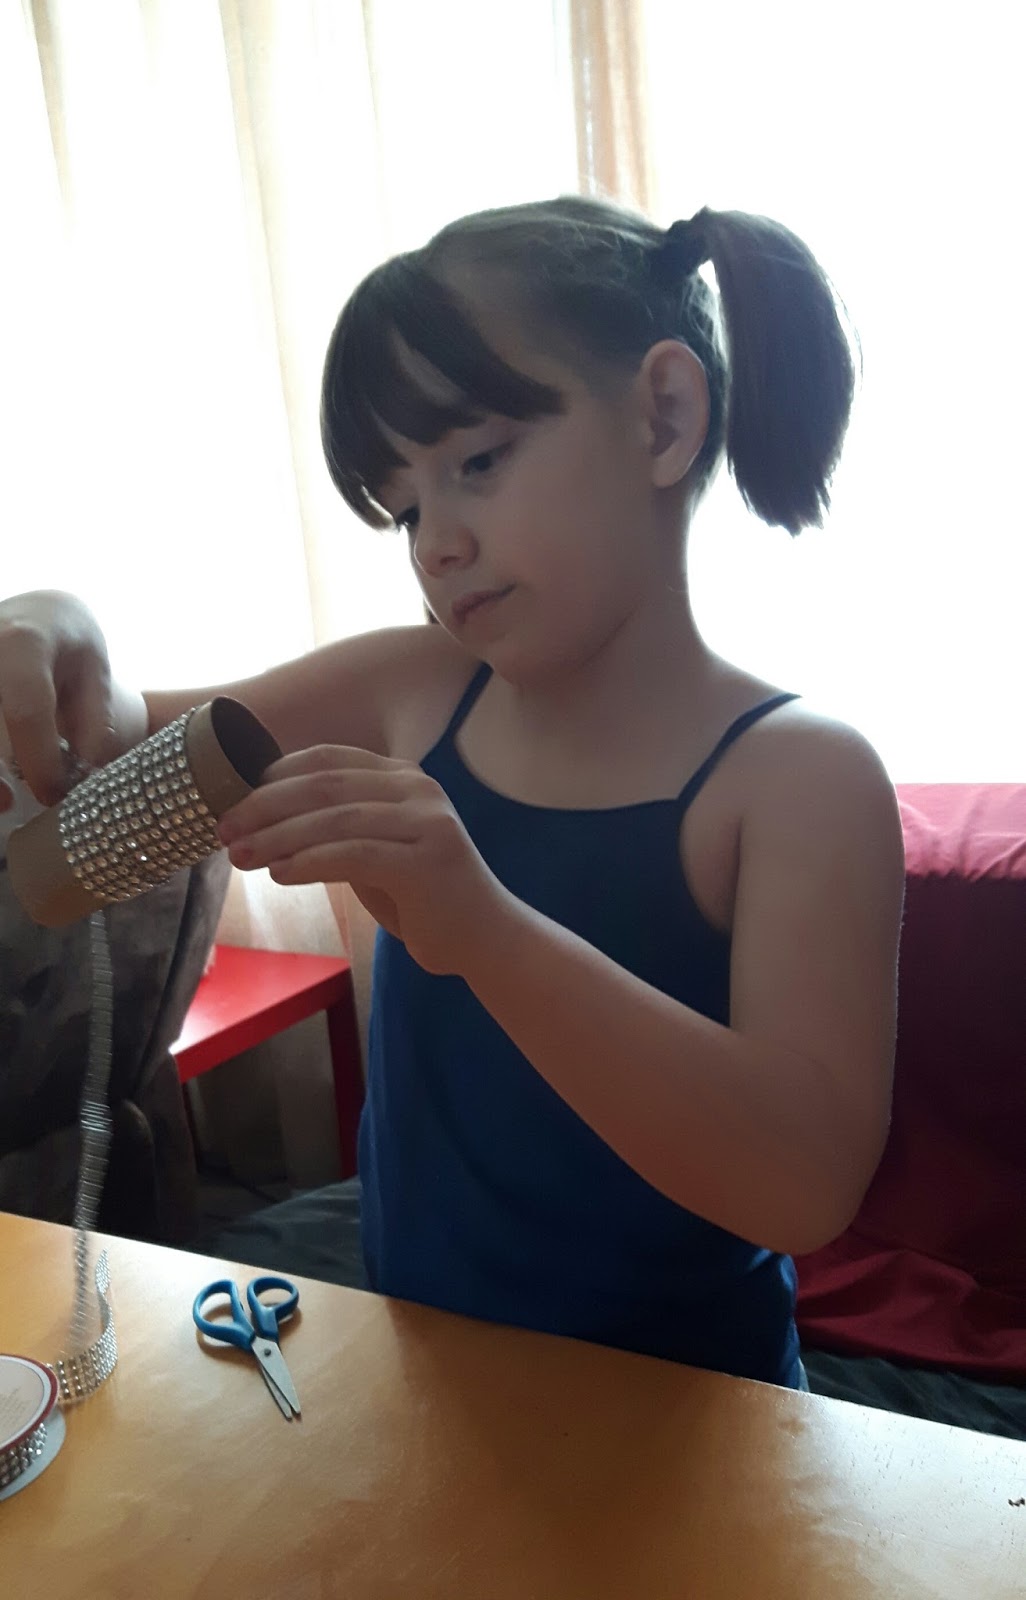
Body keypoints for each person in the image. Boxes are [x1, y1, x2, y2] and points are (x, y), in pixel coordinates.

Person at [0, 196, 905, 1389]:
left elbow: (802, 1185)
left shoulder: (799, 776)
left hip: (693, 1417)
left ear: (664, 415)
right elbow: (112, 752)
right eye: (407, 508)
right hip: (426, 1375)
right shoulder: (414, 688)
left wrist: (484, 929)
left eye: (478, 461)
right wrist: (60, 625)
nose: (435, 544)